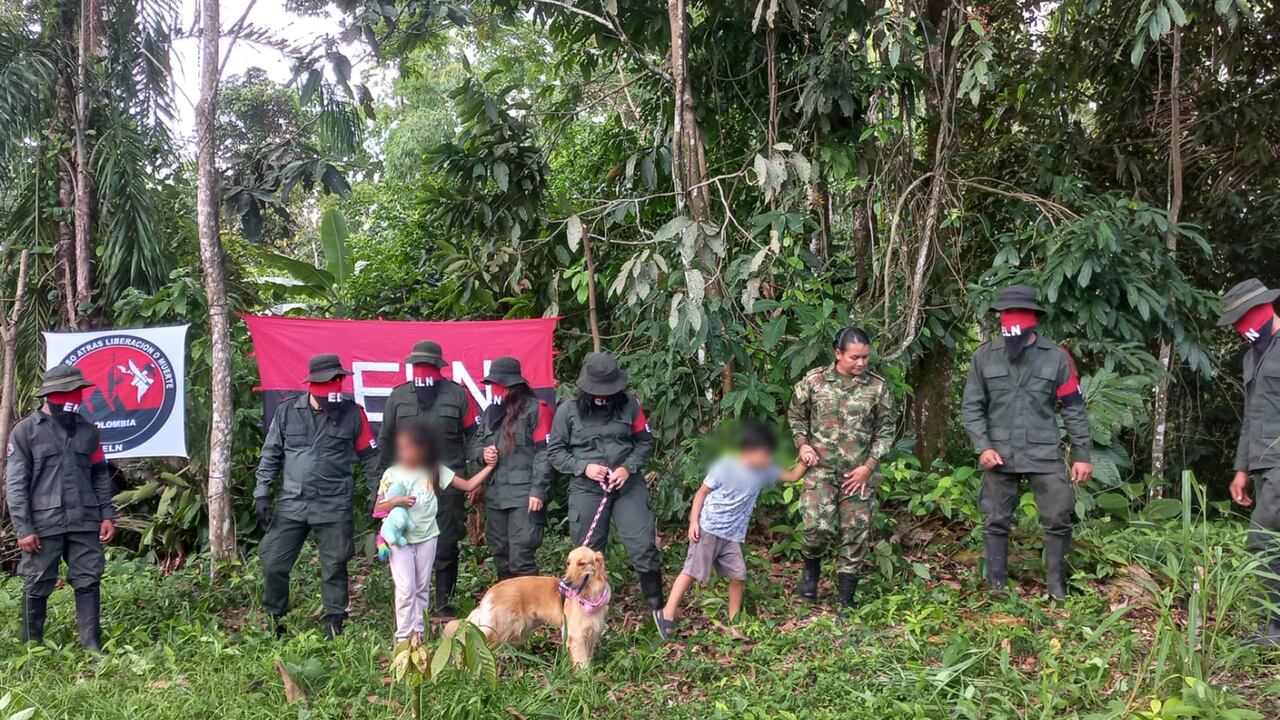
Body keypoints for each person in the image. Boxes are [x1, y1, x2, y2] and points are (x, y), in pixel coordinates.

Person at [960, 284, 1092, 600]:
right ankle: (997, 588)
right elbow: (972, 407)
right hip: (998, 451)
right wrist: (983, 446)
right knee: (995, 519)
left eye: (1020, 317)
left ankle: (1057, 589)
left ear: (1033, 318)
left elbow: (1073, 408)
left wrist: (1082, 454)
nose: (1013, 324)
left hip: (1043, 451)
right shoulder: (984, 357)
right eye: (1008, 317)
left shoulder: (1057, 358)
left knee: (1058, 515)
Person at [254, 354, 381, 639]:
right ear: (313, 384)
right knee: (273, 561)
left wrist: (379, 498)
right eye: (329, 381)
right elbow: (271, 454)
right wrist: (262, 493)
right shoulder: (287, 411)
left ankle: (334, 625)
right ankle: (275, 620)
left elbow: (371, 459)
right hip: (292, 502)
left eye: (338, 380)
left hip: (333, 503)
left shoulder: (352, 413)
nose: (335, 385)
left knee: (335, 565)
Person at [653, 422, 808, 640]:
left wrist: (805, 460)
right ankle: (666, 613)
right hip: (708, 528)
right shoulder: (725, 466)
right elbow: (701, 492)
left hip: (732, 535)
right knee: (691, 572)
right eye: (765, 454)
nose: (768, 459)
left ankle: (735, 626)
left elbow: (792, 476)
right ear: (749, 450)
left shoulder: (764, 470)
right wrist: (693, 522)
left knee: (738, 576)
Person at [787, 327, 900, 610]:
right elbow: (796, 416)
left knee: (855, 534)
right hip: (821, 470)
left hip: (858, 474)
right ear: (838, 354)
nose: (861, 363)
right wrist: (802, 444)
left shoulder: (877, 388)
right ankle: (810, 572)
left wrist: (868, 467)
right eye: (854, 357)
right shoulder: (814, 381)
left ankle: (846, 600)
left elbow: (886, 432)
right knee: (816, 527)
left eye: (865, 357)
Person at [6, 366, 116, 652]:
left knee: (88, 579)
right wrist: (24, 529)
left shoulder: (88, 431)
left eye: (77, 392)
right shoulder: (25, 431)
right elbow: (16, 484)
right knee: (37, 582)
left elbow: (99, 475)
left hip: (85, 520)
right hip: (43, 523)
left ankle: (92, 646)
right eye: (68, 392)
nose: (75, 398)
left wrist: (107, 514)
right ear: (50, 395)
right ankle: (32, 647)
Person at [547, 352, 662, 615]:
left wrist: (627, 467)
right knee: (587, 553)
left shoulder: (631, 405)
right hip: (586, 488)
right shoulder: (567, 411)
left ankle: (657, 609)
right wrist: (584, 467)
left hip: (626, 486)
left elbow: (644, 442)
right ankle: (583, 613)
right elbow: (555, 452)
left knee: (642, 543)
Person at [378, 340, 480, 616]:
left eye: (428, 366)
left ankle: (444, 606)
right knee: (406, 542)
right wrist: (385, 485)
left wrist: (476, 475)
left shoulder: (458, 395)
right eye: (419, 366)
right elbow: (386, 441)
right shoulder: (398, 397)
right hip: (406, 489)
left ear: (439, 367)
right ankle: (409, 607)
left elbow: (473, 437)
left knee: (446, 543)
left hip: (446, 484)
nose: (423, 372)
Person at [374, 423, 496, 643]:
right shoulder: (391, 473)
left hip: (427, 537)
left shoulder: (434, 470)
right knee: (406, 588)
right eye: (400, 448)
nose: (403, 453)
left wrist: (489, 467)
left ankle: (418, 636)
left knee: (421, 588)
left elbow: (468, 485)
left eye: (408, 448)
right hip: (400, 540)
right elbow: (378, 508)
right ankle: (403, 639)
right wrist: (397, 501)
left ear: (423, 449)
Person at [1219, 278, 1280, 646]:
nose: (1240, 328)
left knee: (1263, 539)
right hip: (1261, 463)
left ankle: (1276, 627)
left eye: (1242, 319)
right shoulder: (1251, 356)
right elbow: (1250, 415)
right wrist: (1241, 469)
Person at [468, 357, 556, 579]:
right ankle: (508, 601)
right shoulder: (491, 412)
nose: (495, 389)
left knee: (521, 555)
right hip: (495, 495)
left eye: (499, 385)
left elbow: (545, 453)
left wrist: (538, 490)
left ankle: (529, 602)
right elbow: (475, 443)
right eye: (492, 385)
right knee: (500, 554)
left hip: (524, 495)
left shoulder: (536, 410)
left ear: (512, 386)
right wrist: (483, 454)